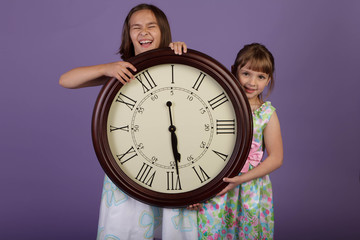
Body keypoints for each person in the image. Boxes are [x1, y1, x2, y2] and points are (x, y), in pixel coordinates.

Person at [59, 4, 198, 240]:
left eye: (151, 26)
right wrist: (107, 68)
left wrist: (181, 54)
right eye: (137, 27)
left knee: (174, 227)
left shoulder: (177, 63)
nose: (144, 32)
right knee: (127, 227)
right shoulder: (123, 72)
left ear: (163, 31)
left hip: (173, 164)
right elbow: (66, 80)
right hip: (129, 167)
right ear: (129, 35)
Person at [196, 43, 283, 239]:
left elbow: (276, 158)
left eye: (260, 77)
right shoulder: (217, 106)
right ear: (234, 71)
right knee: (211, 229)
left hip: (249, 187)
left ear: (268, 80)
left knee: (245, 232)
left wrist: (241, 179)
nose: (252, 82)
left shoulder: (266, 113)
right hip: (218, 182)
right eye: (246, 73)